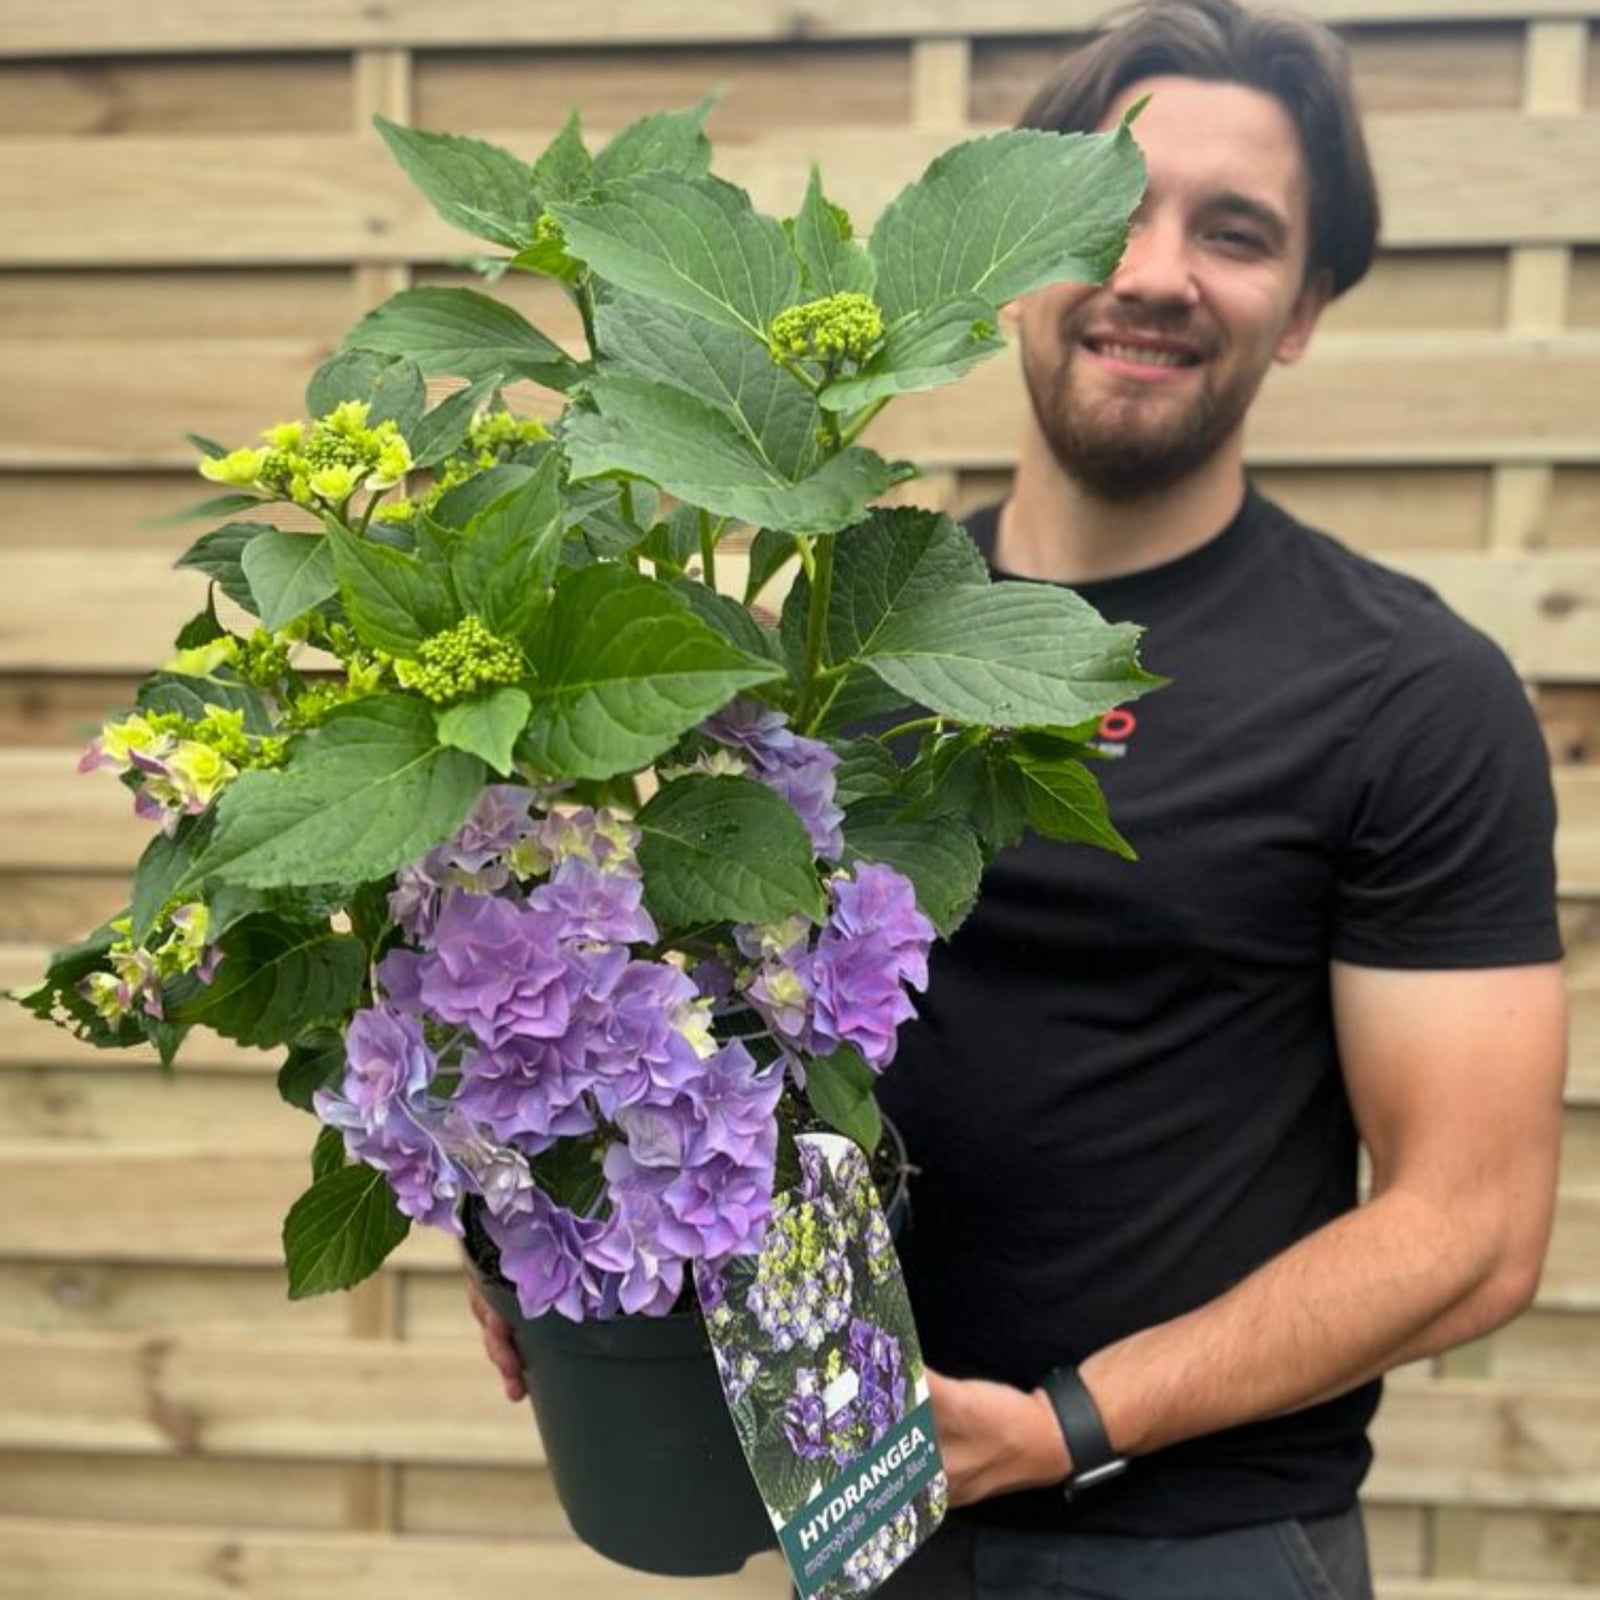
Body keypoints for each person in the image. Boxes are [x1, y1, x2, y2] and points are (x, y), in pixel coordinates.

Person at [471, 3, 1568, 1594]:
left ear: (1307, 306)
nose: (1155, 270)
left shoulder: (1405, 693)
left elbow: (1473, 1226)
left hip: (1195, 1541)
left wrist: (1059, 1426)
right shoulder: (822, 638)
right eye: (1108, 216)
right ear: (1007, 263)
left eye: (1239, 233)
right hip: (854, 1507)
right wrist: (539, 1224)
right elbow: (686, 1021)